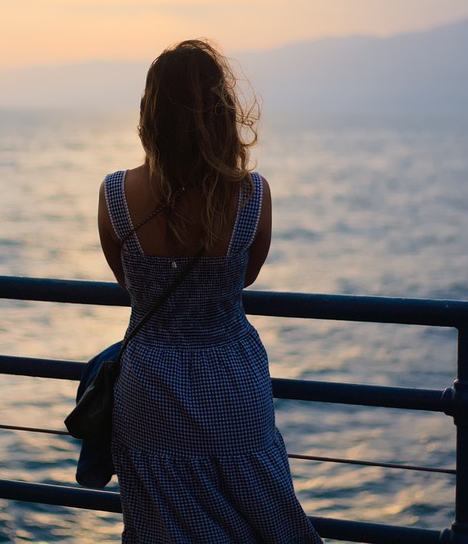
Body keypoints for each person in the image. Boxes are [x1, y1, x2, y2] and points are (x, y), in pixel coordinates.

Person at [97, 40, 322, 543]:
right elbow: (245, 277)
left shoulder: (116, 193)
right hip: (232, 381)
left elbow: (130, 284)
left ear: (150, 112)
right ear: (223, 112)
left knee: (163, 526)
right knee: (264, 517)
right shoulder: (253, 195)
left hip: (150, 386)